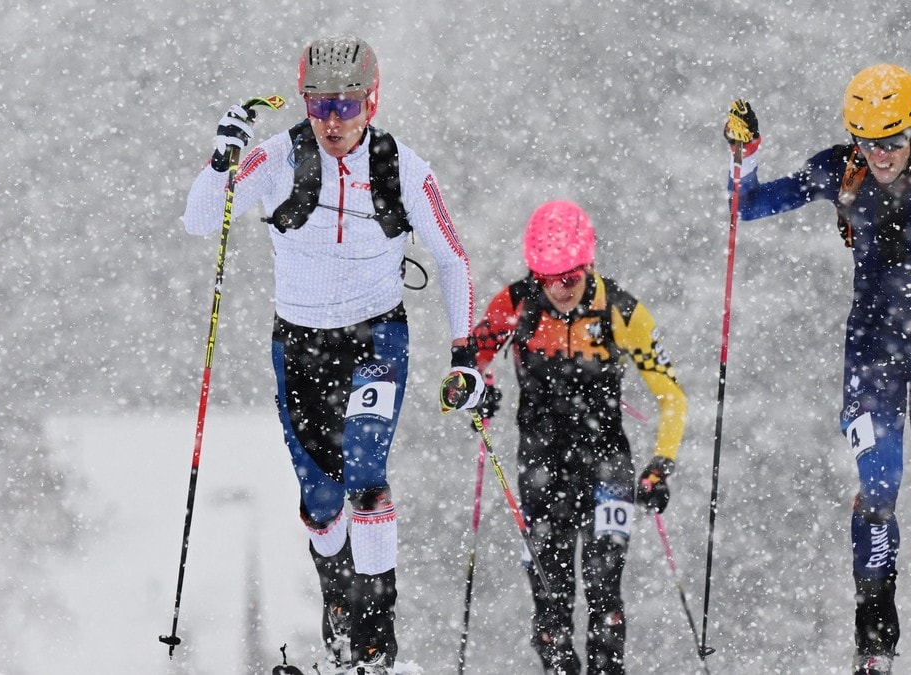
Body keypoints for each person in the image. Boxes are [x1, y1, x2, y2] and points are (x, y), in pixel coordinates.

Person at [183, 35, 485, 674]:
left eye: (347, 105)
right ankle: (342, 631)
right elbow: (199, 220)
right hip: (298, 348)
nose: (332, 120)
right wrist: (219, 161)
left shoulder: (404, 166)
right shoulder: (279, 156)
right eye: (320, 104)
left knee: (366, 475)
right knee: (321, 500)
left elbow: (453, 257)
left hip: (376, 339)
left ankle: (378, 647)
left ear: (371, 101)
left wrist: (464, 353)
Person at [723, 64, 911, 675]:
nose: (879, 154)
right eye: (866, 140)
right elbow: (748, 206)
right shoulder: (843, 168)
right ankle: (875, 642)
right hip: (872, 353)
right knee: (880, 490)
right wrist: (744, 154)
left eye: (890, 141)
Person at [469, 200, 687, 675]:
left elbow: (671, 396)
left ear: (588, 264)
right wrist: (479, 391)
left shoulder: (622, 310)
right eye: (548, 278)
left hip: (607, 463)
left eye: (569, 278)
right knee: (551, 602)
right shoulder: (515, 303)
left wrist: (660, 465)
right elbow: (462, 370)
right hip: (540, 469)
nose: (559, 289)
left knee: (605, 590)